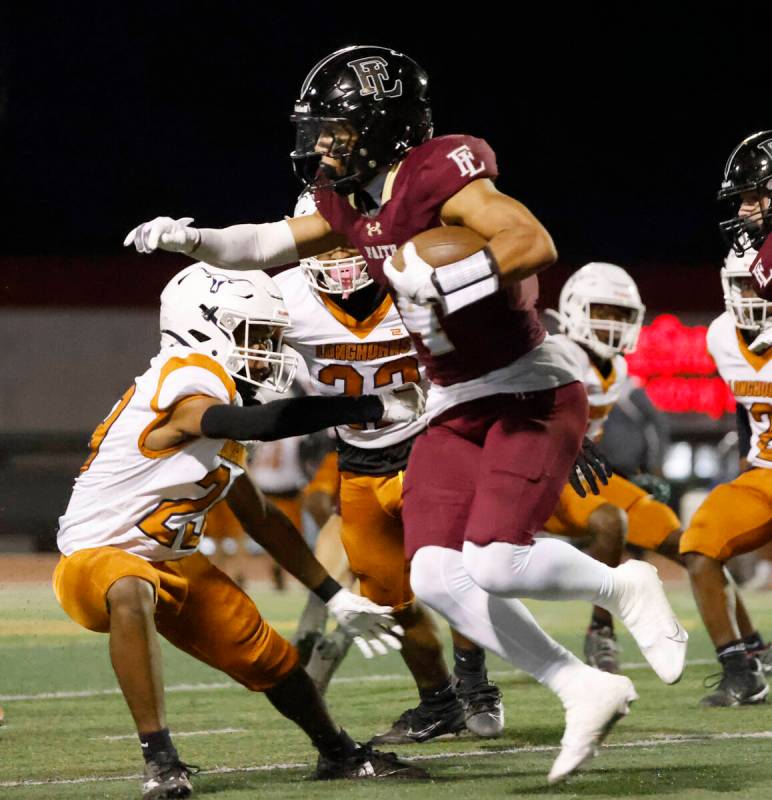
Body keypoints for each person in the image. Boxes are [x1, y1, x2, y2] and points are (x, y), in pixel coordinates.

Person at [124, 45, 686, 784]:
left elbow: (531, 240)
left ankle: (627, 586)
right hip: (454, 401)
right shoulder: (350, 201)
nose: (321, 143)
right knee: (433, 577)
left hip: (524, 385)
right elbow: (265, 243)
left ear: (382, 125)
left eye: (335, 127)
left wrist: (452, 276)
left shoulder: (435, 171)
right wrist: (191, 239)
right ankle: (581, 684)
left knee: (492, 559)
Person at [54, 263, 428, 800]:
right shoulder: (185, 376)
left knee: (271, 659)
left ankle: (340, 754)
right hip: (96, 562)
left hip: (172, 563)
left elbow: (263, 518)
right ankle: (161, 762)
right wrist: (367, 406)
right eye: (257, 335)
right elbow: (256, 423)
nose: (267, 350)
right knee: (128, 585)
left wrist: (335, 596)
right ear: (206, 326)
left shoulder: (218, 398)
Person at [272, 200, 504, 740]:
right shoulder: (283, 297)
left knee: (452, 571)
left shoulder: (415, 276)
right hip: (355, 465)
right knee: (390, 601)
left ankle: (475, 684)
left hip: (430, 445)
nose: (338, 256)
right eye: (322, 242)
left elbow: (490, 347)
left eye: (344, 240)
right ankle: (439, 701)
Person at [679, 247, 772, 706]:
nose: (753, 293)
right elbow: (743, 400)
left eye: (761, 281)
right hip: (763, 476)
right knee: (698, 545)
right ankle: (741, 668)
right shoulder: (720, 335)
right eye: (744, 283)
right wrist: (744, 464)